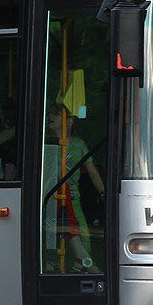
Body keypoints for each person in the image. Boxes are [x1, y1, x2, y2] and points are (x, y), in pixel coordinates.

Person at [45, 106, 104, 272]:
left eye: (56, 113)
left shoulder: (79, 145)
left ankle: (79, 266)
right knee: (49, 239)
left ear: (70, 121)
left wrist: (103, 192)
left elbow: (93, 173)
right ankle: (57, 266)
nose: (50, 115)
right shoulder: (45, 143)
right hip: (50, 199)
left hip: (73, 199)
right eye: (50, 112)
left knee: (84, 239)